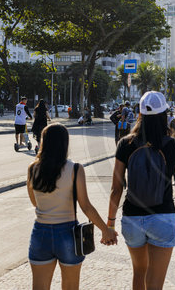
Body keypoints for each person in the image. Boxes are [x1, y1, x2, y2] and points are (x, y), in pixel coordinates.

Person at [107, 91, 175, 290]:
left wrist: (110, 223)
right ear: (165, 115)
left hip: (132, 217)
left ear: (140, 114)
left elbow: (116, 189)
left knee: (139, 273)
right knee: (155, 282)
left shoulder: (125, 144)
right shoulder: (174, 145)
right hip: (163, 216)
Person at [27, 124, 117, 290]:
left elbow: (35, 202)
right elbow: (86, 206)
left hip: (41, 233)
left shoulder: (33, 168)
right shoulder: (75, 169)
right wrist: (106, 229)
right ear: (64, 144)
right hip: (67, 233)